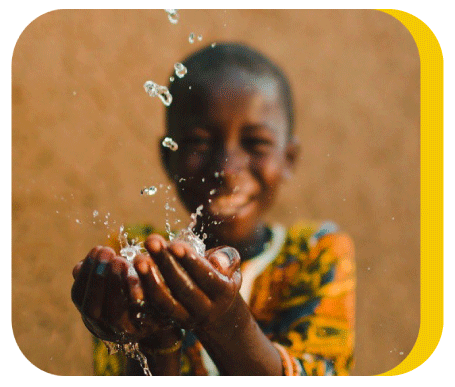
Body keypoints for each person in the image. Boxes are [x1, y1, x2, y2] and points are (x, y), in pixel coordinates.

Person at [71, 42, 355, 376]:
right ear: (168, 158)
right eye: (200, 143)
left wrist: (224, 322)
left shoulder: (315, 255)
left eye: (256, 143)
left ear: (288, 159)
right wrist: (153, 342)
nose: (227, 168)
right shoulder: (136, 262)